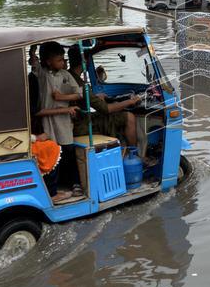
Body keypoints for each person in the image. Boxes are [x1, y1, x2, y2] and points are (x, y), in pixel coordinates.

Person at [66, 46, 141, 148]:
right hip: (83, 125)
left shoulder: (68, 76)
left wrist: (95, 96)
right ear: (84, 61)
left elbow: (80, 98)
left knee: (115, 110)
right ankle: (134, 153)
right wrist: (130, 102)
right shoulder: (80, 84)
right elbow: (106, 109)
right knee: (129, 117)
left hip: (78, 121)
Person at [35, 41, 83, 201]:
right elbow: (34, 63)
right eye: (59, 60)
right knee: (54, 152)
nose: (63, 63)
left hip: (63, 119)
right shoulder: (41, 74)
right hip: (48, 119)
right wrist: (32, 53)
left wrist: (62, 97)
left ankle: (74, 182)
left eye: (63, 60)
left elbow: (79, 94)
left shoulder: (66, 75)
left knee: (68, 150)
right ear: (48, 61)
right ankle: (54, 186)